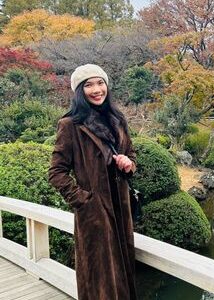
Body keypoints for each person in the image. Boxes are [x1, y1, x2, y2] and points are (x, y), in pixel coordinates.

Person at [48, 64, 138, 300]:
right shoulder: (70, 125)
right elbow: (56, 173)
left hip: (121, 211)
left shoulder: (117, 120)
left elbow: (132, 154)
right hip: (95, 215)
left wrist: (129, 164)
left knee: (123, 274)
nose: (97, 89)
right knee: (99, 280)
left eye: (100, 83)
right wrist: (85, 201)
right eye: (88, 85)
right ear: (79, 91)